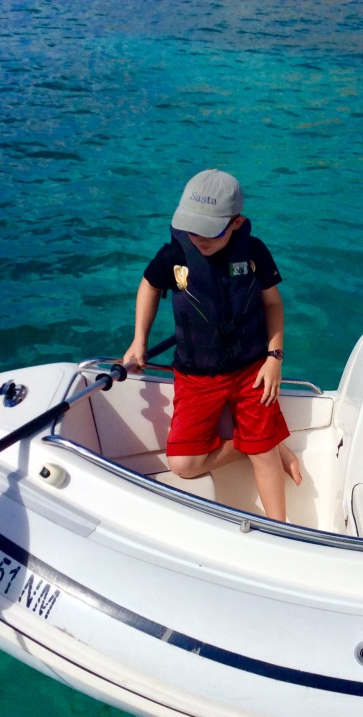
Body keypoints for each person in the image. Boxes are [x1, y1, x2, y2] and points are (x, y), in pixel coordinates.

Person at [123, 169, 303, 522]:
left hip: (252, 368)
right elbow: (149, 286)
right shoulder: (176, 252)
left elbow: (272, 304)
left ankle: (279, 527)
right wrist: (139, 338)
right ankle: (264, 442)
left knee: (263, 455)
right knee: (182, 464)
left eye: (211, 231)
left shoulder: (254, 252)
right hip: (196, 375)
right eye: (193, 229)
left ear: (236, 223)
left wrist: (275, 357)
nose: (200, 239)